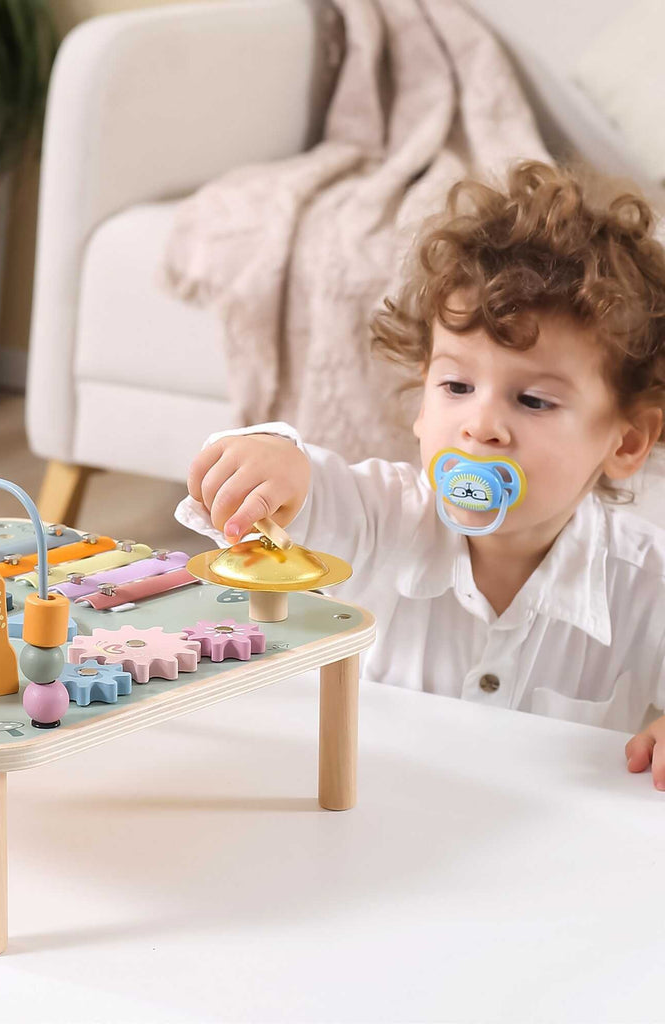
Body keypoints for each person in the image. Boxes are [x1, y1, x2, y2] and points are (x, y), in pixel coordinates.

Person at [175, 160, 665, 789]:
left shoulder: (643, 583)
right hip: (365, 819)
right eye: (457, 386)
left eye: (534, 401)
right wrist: (272, 457)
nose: (481, 426)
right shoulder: (385, 516)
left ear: (624, 443)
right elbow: (312, 494)